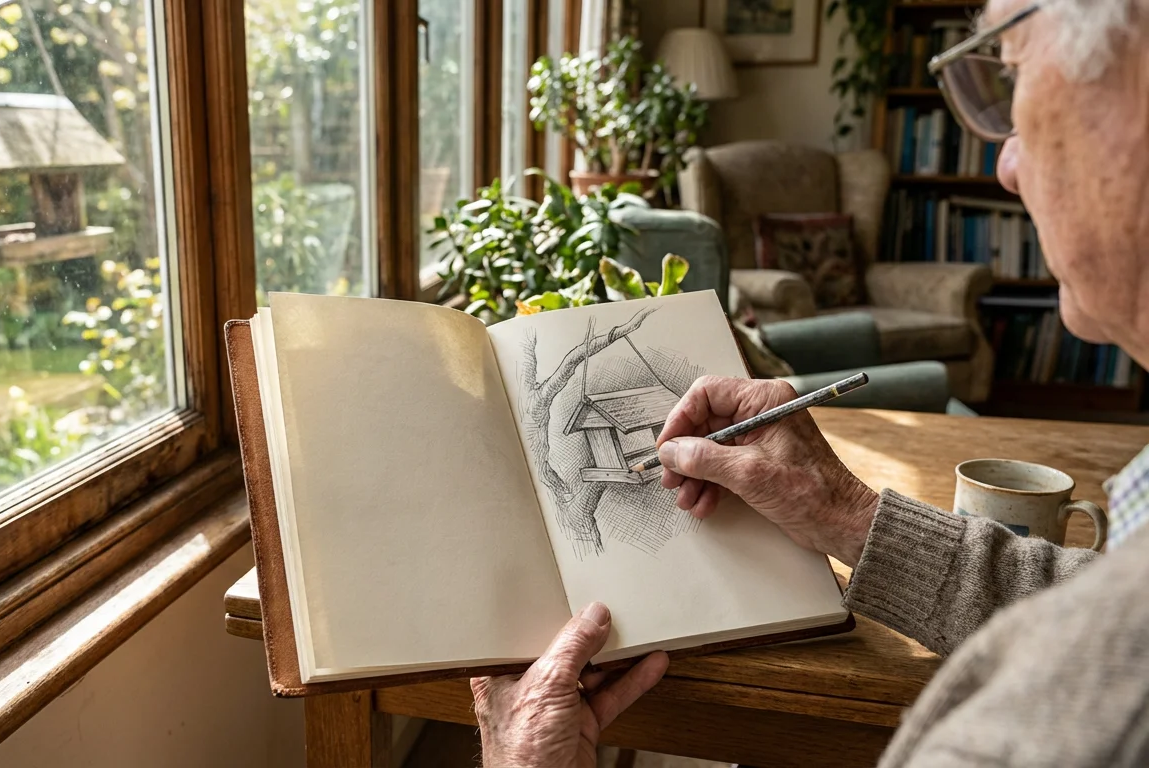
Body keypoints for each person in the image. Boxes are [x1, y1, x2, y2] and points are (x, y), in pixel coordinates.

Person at [471, 0, 1149, 764]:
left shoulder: (1107, 709)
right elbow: (1076, 601)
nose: (1005, 163)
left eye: (1012, 72)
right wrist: (845, 513)